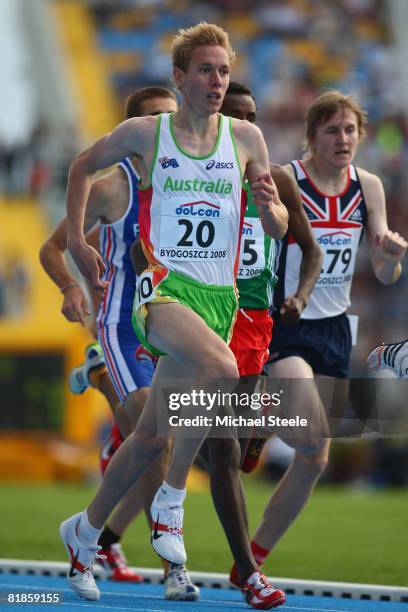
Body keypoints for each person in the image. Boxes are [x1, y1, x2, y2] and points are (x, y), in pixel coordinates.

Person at [60, 22, 288, 608]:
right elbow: (82, 165)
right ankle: (172, 497)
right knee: (221, 369)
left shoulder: (246, 141)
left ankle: (84, 534)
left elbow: (276, 229)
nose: (217, 81)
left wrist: (272, 213)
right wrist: (81, 247)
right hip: (163, 290)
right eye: (207, 71)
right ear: (180, 78)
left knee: (149, 435)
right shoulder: (145, 133)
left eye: (225, 71)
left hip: (220, 298)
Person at [228, 90, 407, 582]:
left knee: (315, 455)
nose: (343, 139)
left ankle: (252, 560)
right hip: (287, 319)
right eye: (332, 130)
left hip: (335, 328)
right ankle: (263, 411)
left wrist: (392, 255)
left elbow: (386, 274)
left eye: (350, 130)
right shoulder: (288, 179)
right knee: (309, 429)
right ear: (312, 137)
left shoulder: (368, 186)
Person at [40, 87, 201, 601]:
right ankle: (173, 569)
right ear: (132, 133)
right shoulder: (114, 189)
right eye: (153, 120)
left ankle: (87, 534)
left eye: (170, 119)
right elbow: (51, 248)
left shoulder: (195, 183)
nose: (164, 128)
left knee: (154, 441)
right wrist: (70, 285)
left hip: (178, 326)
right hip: (124, 325)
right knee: (158, 438)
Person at [197, 81, 321, 589]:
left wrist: (300, 297)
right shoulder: (193, 174)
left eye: (252, 116)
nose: (246, 125)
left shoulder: (275, 180)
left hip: (253, 320)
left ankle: (255, 424)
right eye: (235, 116)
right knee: (215, 447)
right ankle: (248, 572)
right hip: (200, 315)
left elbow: (310, 251)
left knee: (225, 445)